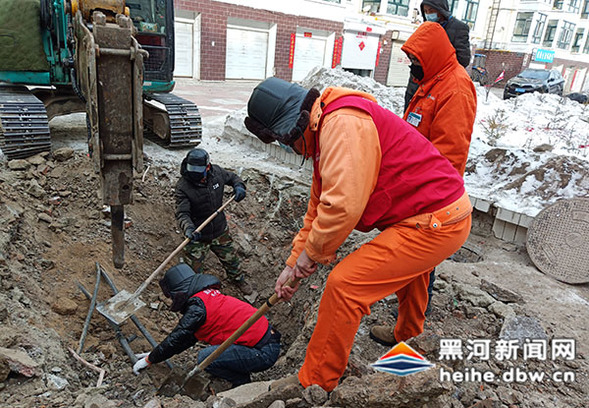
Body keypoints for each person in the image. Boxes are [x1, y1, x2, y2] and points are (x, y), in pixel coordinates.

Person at [244, 77, 472, 392]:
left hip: (438, 219)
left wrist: (311, 255)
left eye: (285, 142)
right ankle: (409, 335)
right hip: (428, 213)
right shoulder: (325, 128)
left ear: (292, 129)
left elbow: (341, 207)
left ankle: (316, 382)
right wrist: (293, 264)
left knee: (345, 286)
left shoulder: (341, 125)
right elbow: (317, 209)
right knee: (411, 267)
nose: (291, 149)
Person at [370, 22, 477, 345]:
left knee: (417, 264)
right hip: (414, 186)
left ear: (432, 54)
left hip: (429, 194)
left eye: (417, 58)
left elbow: (450, 154)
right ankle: (407, 330)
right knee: (416, 268)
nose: (413, 65)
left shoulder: (455, 88)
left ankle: (409, 333)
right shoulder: (430, 83)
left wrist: (419, 190)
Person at [132, 264, 281, 387]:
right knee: (209, 355)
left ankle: (241, 384)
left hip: (262, 352)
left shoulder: (198, 309)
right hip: (266, 342)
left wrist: (149, 360)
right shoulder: (206, 298)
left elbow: (177, 338)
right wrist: (155, 355)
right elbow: (186, 339)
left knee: (206, 358)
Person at [175, 148, 252, 295]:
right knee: (193, 272)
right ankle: (196, 294)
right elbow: (182, 213)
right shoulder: (183, 186)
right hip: (197, 235)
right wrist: (189, 229)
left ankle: (238, 280)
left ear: (208, 167)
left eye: (199, 171)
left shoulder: (217, 173)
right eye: (192, 170)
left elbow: (233, 178)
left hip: (219, 231)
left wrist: (239, 186)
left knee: (231, 260)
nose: (194, 174)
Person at [404, 0, 471, 111]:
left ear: (441, 10)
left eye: (431, 10)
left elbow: (463, 59)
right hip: (418, 81)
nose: (428, 14)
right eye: (425, 11)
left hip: (440, 83)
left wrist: (438, 66)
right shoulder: (425, 27)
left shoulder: (459, 28)